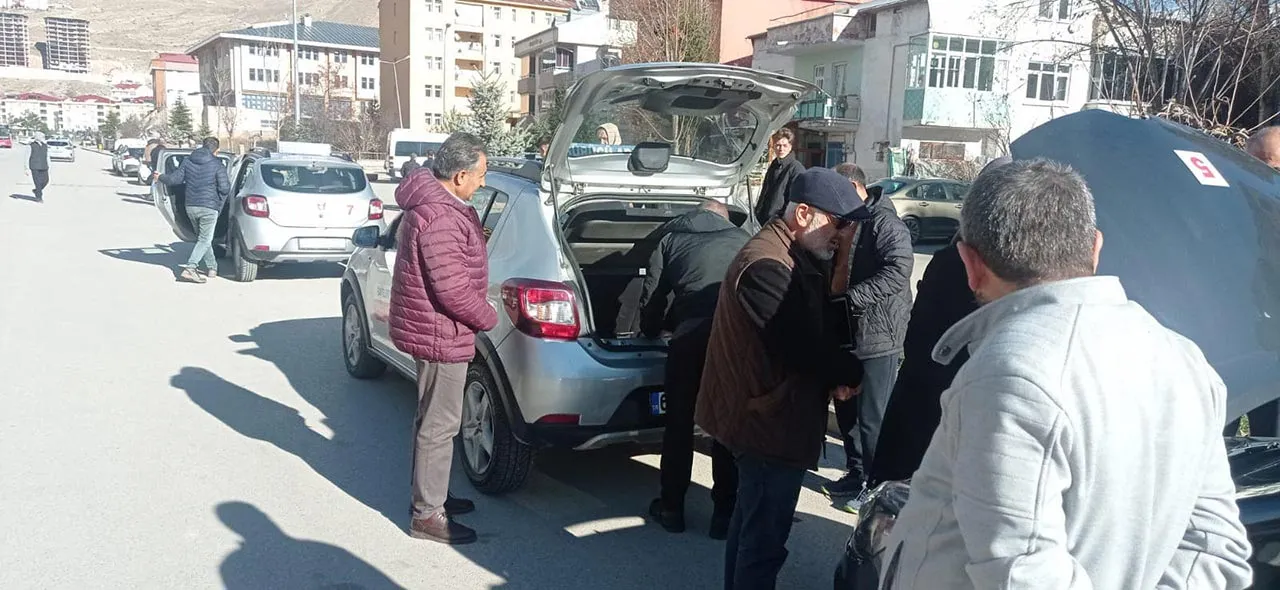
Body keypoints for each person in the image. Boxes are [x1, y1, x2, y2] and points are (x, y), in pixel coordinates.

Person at [882, 159, 1253, 589]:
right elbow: (1213, 547)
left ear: (970, 264)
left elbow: (1022, 573)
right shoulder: (1186, 361)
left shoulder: (1009, 373)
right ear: (1095, 247)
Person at [696, 167, 871, 590]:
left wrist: (842, 255)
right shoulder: (767, 266)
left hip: (771, 417)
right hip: (766, 423)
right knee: (763, 541)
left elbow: (822, 322)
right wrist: (847, 372)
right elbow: (801, 346)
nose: (844, 233)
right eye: (839, 222)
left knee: (751, 525)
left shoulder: (795, 254)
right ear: (804, 214)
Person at [866, 156, 1009, 487]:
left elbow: (917, 336)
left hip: (926, 404)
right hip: (944, 411)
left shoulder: (952, 258)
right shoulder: (982, 267)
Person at [389, 132, 498, 545]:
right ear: (460, 175)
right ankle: (427, 514)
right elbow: (451, 289)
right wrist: (487, 317)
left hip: (434, 327)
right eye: (481, 175)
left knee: (432, 420)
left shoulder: (440, 205)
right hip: (440, 331)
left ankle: (432, 494)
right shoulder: (441, 216)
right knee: (439, 424)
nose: (483, 183)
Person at [641, 200, 751, 539]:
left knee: (679, 425)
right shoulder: (743, 239)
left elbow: (653, 296)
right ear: (723, 217)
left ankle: (672, 508)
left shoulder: (671, 240)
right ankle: (724, 515)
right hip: (732, 341)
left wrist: (651, 330)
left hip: (688, 339)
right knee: (724, 427)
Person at [823, 163, 914, 509]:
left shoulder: (885, 223)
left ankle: (876, 488)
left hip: (879, 335)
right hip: (847, 334)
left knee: (872, 418)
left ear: (855, 187)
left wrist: (852, 300)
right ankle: (856, 471)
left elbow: (898, 270)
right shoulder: (846, 219)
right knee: (846, 408)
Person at [160, 137, 229, 283]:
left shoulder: (188, 161)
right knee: (205, 239)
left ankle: (212, 268)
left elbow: (174, 180)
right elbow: (225, 188)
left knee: (203, 239)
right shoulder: (217, 165)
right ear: (216, 150)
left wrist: (161, 177)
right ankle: (190, 268)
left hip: (190, 206)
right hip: (209, 207)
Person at [753, 128, 804, 226]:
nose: (781, 149)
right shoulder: (774, 164)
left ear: (790, 147)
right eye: (778, 145)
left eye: (785, 145)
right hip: (763, 219)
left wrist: (780, 218)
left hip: (779, 222)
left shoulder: (796, 168)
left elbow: (794, 200)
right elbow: (765, 191)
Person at [23, 131, 49, 202]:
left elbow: (47, 156)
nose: (43, 138)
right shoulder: (31, 145)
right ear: (38, 137)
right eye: (42, 137)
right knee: (37, 182)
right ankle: (39, 197)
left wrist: (49, 165)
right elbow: (27, 157)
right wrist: (26, 168)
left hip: (44, 166)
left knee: (46, 181)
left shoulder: (44, 145)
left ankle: (36, 190)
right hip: (35, 166)